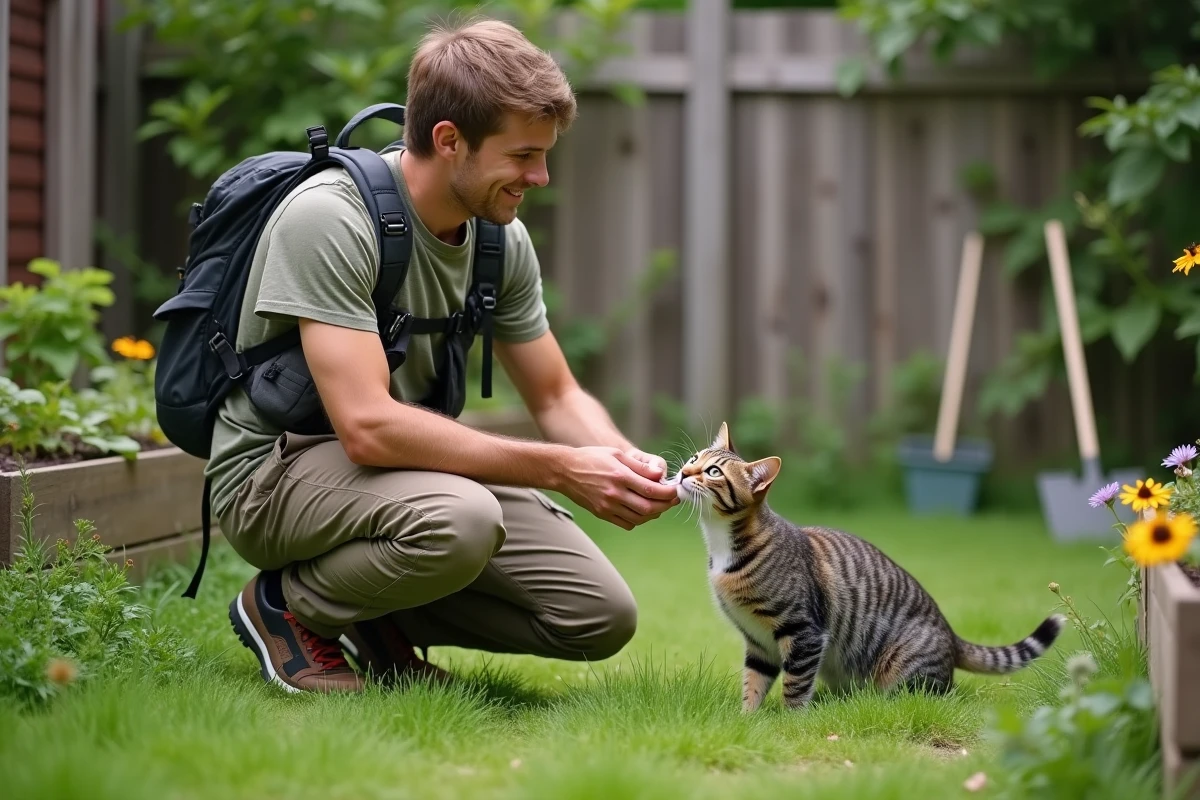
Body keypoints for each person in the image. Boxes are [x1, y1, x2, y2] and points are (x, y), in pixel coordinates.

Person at [212, 17, 680, 694]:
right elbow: (368, 426)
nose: (541, 176)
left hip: (402, 474)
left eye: (544, 155)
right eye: (523, 156)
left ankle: (371, 616)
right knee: (461, 520)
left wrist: (620, 463)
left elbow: (555, 396)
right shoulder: (332, 219)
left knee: (597, 616)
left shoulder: (498, 239)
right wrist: (559, 469)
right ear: (449, 140)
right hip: (274, 474)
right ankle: (288, 607)